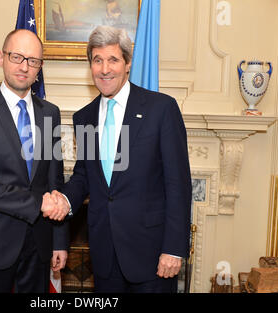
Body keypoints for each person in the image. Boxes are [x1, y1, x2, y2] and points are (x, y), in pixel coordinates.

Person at [44, 25, 192, 293]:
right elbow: (85, 176)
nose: (105, 69)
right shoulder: (84, 117)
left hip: (153, 256)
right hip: (104, 256)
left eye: (113, 59)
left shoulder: (161, 109)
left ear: (127, 63)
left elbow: (178, 184)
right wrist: (64, 200)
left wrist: (173, 249)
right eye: (97, 60)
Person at [0, 29, 69, 293]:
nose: (24, 67)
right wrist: (37, 203)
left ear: (40, 67)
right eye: (17, 57)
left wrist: (59, 240)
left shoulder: (50, 113)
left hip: (39, 247)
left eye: (33, 61)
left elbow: (55, 179)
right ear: (1, 57)